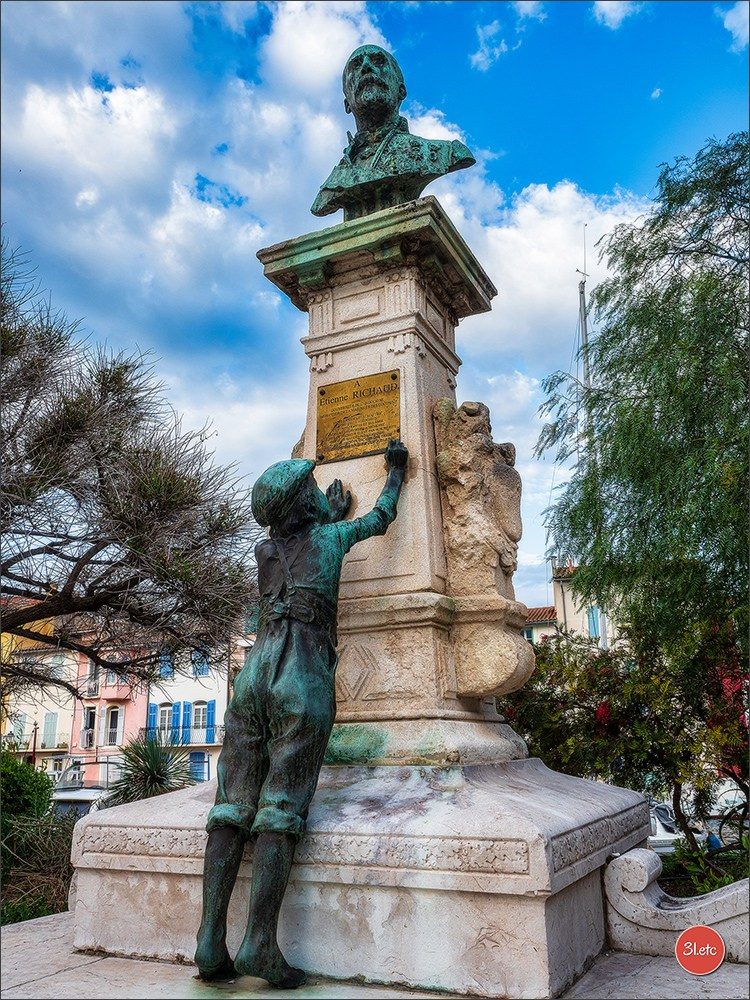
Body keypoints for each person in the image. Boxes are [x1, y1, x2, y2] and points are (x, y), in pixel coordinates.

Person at [194, 439, 408, 987]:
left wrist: (318, 517)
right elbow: (382, 518)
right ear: (303, 506)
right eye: (310, 489)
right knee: (280, 808)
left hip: (253, 675)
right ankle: (260, 944)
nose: (318, 492)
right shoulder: (333, 537)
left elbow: (291, 548)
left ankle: (210, 942)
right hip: (299, 672)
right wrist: (395, 472)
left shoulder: (265, 552)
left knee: (230, 806)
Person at [311, 45, 475, 220]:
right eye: (356, 65)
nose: (366, 67)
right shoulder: (331, 184)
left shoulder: (445, 153)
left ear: (401, 91)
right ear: (347, 104)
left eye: (378, 61)